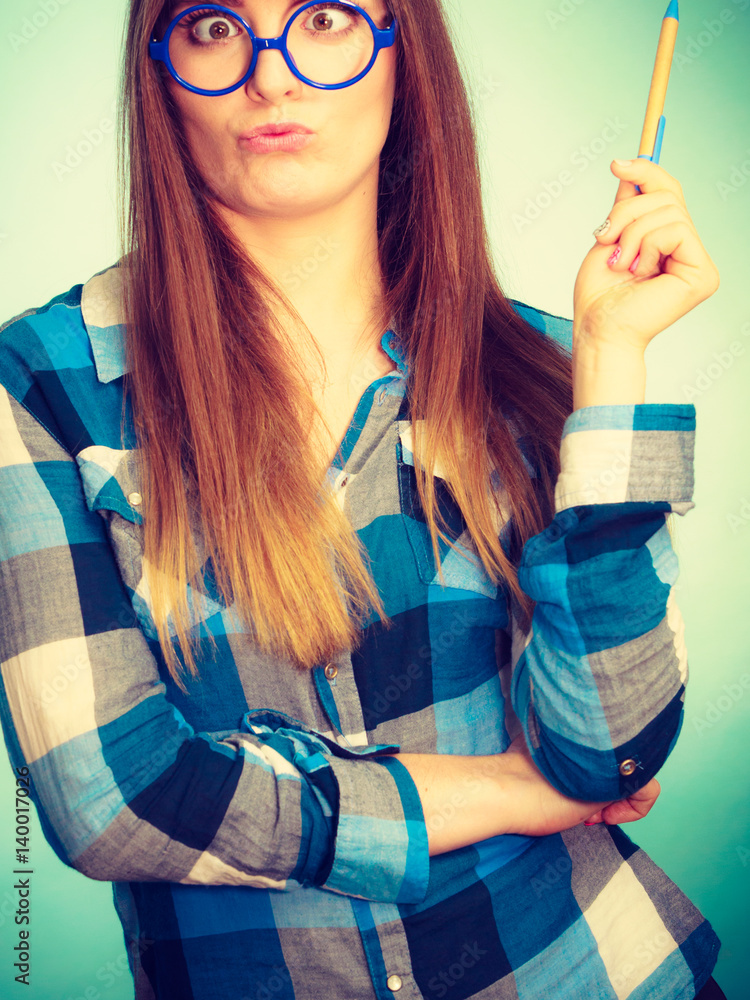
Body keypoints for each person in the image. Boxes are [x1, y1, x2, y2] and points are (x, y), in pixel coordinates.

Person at [0, 1, 727, 998]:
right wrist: (508, 789)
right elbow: (113, 798)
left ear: (402, 57)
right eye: (216, 27)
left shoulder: (543, 363)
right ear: (159, 68)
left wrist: (611, 361)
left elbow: (609, 754)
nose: (271, 74)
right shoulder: (44, 381)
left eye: (325, 18)